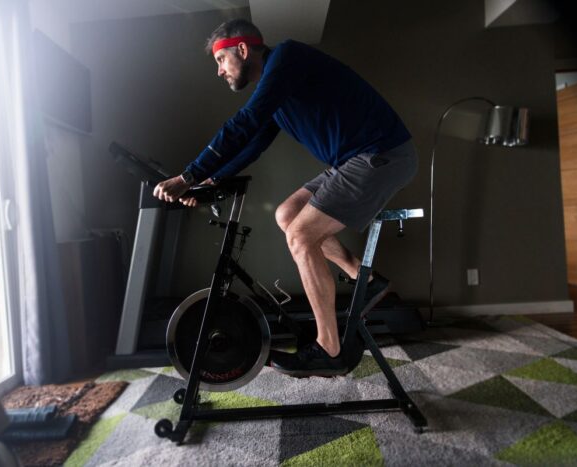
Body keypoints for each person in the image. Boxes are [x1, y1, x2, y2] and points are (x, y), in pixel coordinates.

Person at [153, 19, 418, 377]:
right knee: (287, 214)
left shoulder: (288, 58)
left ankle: (330, 349)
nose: (219, 71)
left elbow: (243, 124)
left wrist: (188, 175)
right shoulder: (276, 88)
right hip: (354, 160)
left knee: (301, 236)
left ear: (242, 50)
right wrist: (210, 181)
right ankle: (366, 280)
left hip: (380, 155)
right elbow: (254, 143)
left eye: (220, 61)